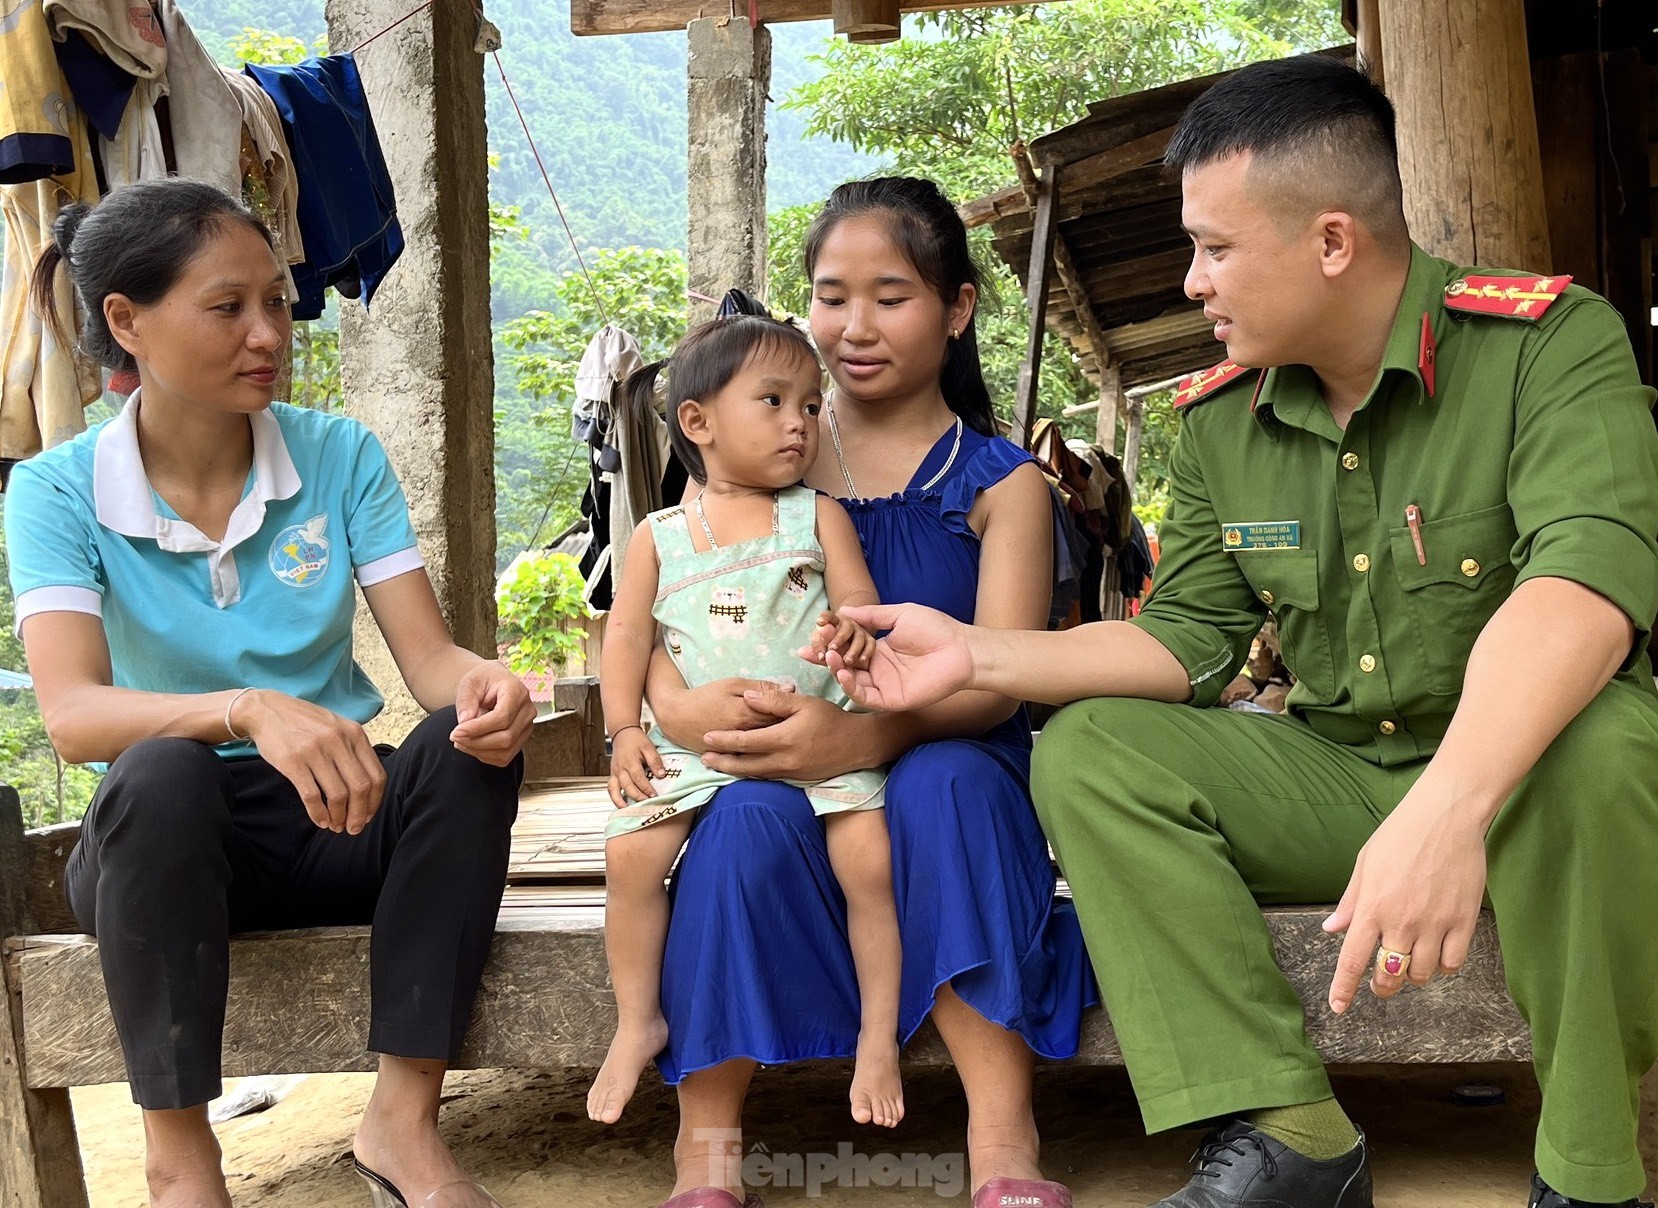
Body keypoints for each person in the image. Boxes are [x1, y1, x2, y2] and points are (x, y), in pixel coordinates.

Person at [826, 56, 1658, 1208]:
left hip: (1515, 782)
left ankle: (1589, 1173)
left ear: (1329, 242)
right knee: (1091, 747)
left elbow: (1585, 589)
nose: (1191, 279)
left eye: (1213, 247)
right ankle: (1287, 1132)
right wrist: (976, 653)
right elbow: (1184, 639)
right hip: (1332, 769)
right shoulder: (1223, 415)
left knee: (1607, 738)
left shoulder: (1547, 346)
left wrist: (1446, 807)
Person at [3, 178, 534, 1208]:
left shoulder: (338, 457)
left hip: (341, 810)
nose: (267, 333)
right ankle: (181, 1157)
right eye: (227, 306)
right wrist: (244, 706)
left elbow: (429, 662)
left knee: (466, 752)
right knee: (160, 772)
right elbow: (72, 716)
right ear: (127, 321)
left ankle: (402, 1124)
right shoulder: (58, 488)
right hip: (166, 854)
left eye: (278, 304)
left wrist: (485, 687)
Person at [640, 177, 1096, 1208]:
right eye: (829, 295)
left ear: (957, 307)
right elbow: (661, 598)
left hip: (952, 759)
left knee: (942, 781)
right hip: (777, 767)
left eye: (888, 296)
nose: (851, 327)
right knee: (746, 814)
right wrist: (671, 708)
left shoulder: (999, 482)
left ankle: (1000, 1136)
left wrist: (850, 742)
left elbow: (999, 678)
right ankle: (704, 1149)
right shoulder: (747, 455)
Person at [586, 313, 904, 1133]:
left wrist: (857, 627)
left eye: (808, 404)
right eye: (772, 401)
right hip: (700, 746)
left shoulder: (817, 516)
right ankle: (637, 1020)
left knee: (870, 868)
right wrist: (625, 730)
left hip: (821, 734)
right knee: (631, 858)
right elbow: (627, 634)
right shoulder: (657, 536)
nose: (798, 423)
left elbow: (860, 598)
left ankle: (877, 1038)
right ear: (698, 423)